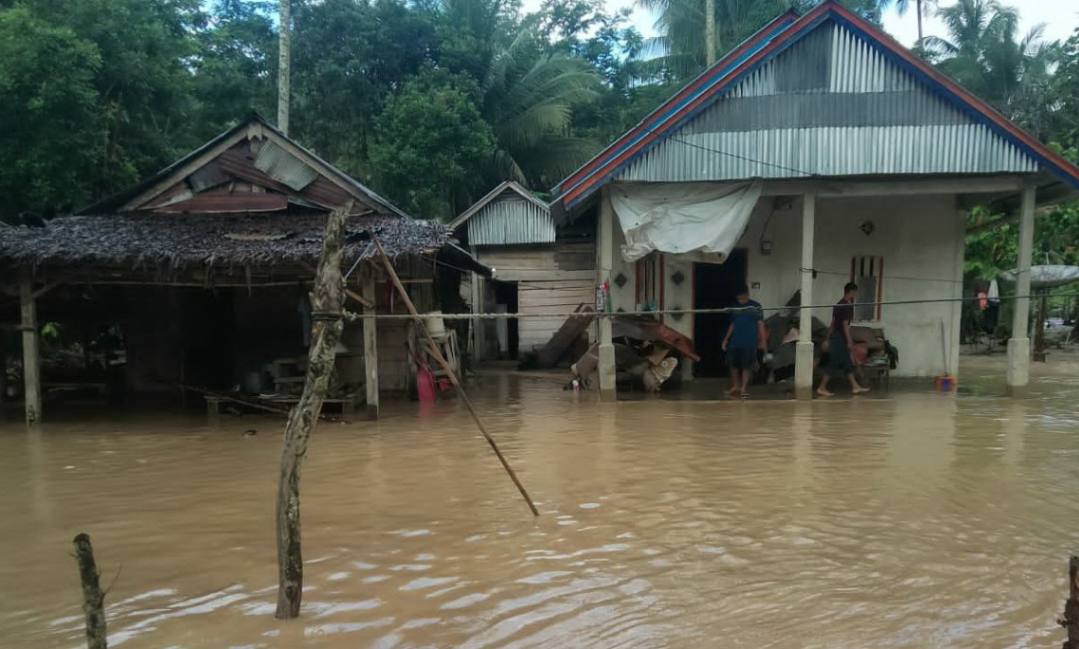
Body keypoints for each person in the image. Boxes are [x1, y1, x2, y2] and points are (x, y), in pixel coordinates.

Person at [817, 282, 870, 397]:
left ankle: (855, 386)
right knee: (834, 363)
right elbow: (845, 325)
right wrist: (849, 341)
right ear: (851, 292)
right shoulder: (846, 306)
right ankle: (821, 387)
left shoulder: (838, 304)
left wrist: (827, 338)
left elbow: (833, 323)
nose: (856, 294)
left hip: (836, 337)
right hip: (839, 339)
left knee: (847, 362)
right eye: (855, 292)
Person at [721, 285, 767, 398]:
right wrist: (726, 339)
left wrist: (763, 341)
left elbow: (760, 324)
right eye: (738, 297)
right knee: (732, 365)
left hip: (750, 341)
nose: (739, 298)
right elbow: (732, 324)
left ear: (746, 294)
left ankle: (743, 388)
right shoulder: (735, 307)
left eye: (741, 296)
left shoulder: (755, 306)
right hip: (735, 341)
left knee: (747, 365)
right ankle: (736, 386)